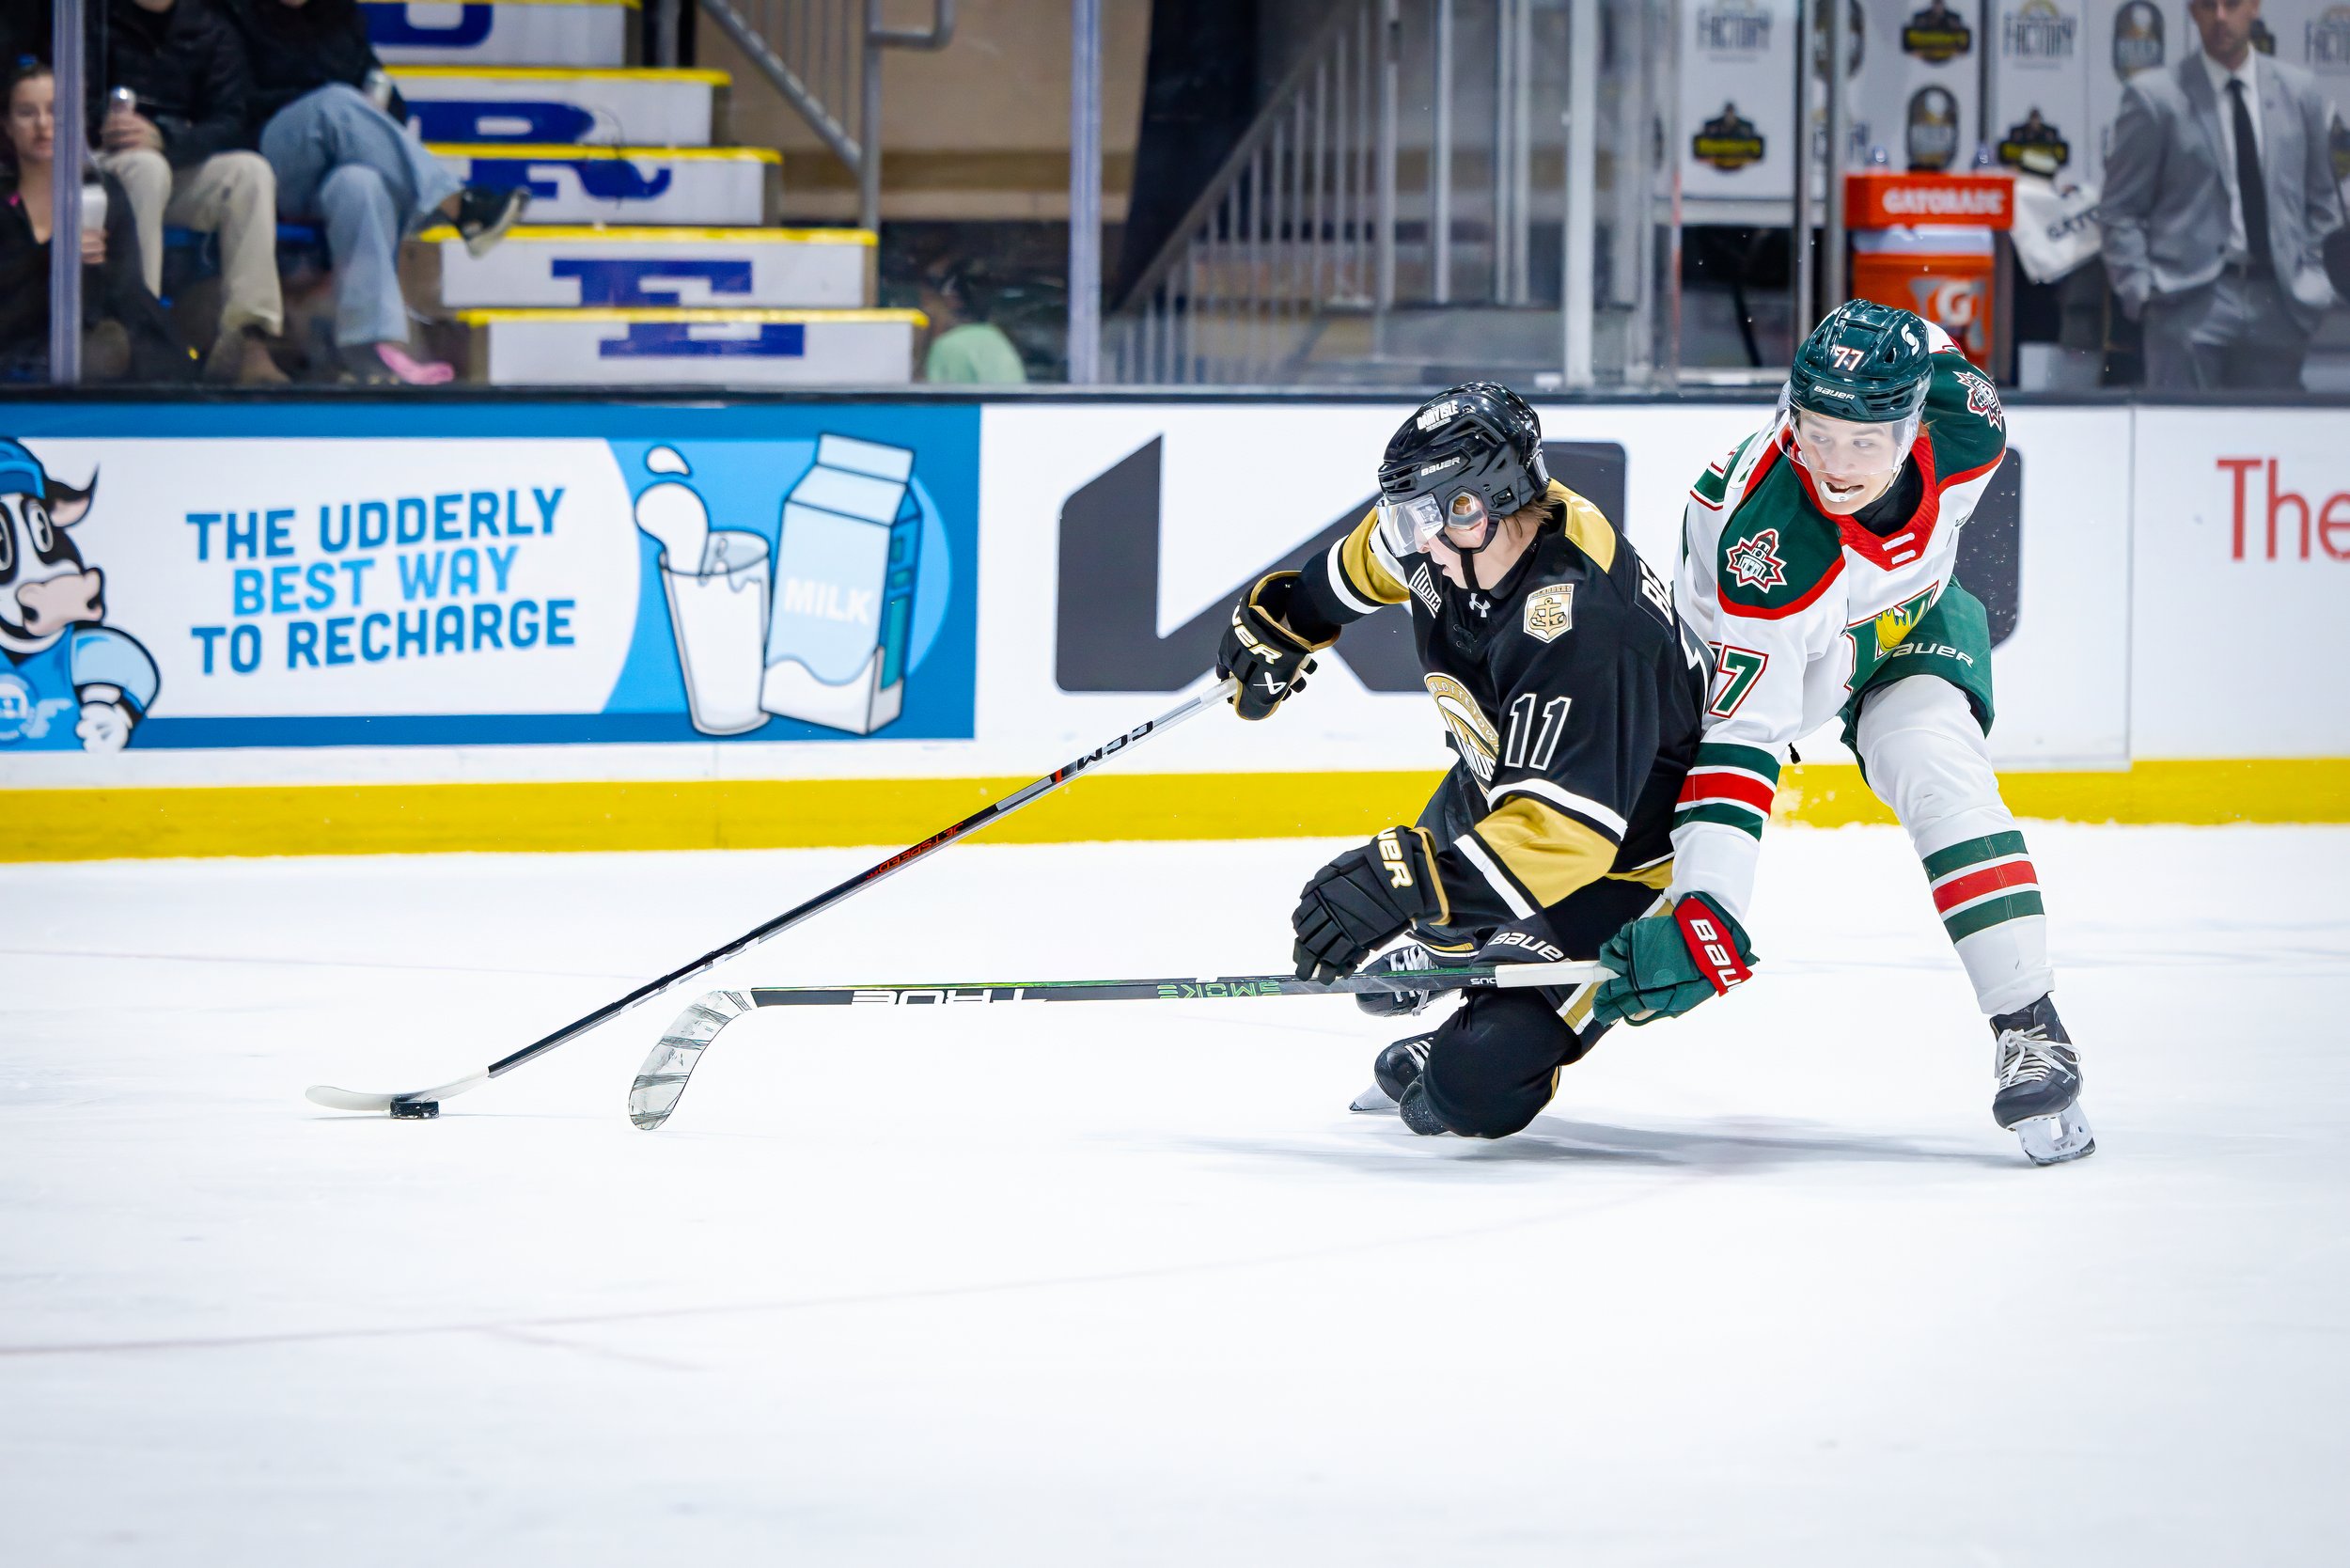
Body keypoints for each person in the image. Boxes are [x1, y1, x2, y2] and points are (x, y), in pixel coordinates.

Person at [1617, 299, 2092, 1166]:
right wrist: (1710, 904)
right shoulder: (1765, 549)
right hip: (1748, 656)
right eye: (1818, 434)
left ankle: (2031, 1027)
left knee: (1935, 764)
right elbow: (1745, 738)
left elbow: (1910, 342)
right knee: (1637, 852)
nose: (1836, 466)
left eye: (1865, 442)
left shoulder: (1969, 422)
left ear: (1914, 426)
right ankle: (1501, 1021)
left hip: (1908, 622)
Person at [1214, 384, 1709, 1139]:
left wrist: (1403, 885)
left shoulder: (1584, 624)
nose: (1417, 543)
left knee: (1474, 1085)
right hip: (1502, 789)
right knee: (1436, 926)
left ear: (1483, 506)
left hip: (1623, 861)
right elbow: (1369, 559)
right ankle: (1461, 942)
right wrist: (1294, 616)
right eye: (1406, 518)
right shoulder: (1455, 537)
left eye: (1429, 520)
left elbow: (1567, 836)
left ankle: (1477, 1022)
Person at [228, 0, 526, 384]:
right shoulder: (233, 14)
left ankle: (367, 351)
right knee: (333, 104)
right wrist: (331, 105)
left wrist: (372, 108)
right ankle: (456, 206)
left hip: (328, 166)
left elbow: (391, 102)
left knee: (360, 184)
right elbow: (230, 104)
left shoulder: (339, 17)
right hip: (262, 158)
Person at [2098, 0, 2343, 389]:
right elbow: (2119, 209)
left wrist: (2314, 283)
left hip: (2278, 304)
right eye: (2208, 6)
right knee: (2181, 427)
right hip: (2186, 304)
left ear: (2255, 7)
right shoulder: (2156, 97)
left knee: (2271, 428)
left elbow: (2324, 204)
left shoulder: (2300, 93)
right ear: (2192, 12)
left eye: (2232, 4)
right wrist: (2140, 291)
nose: (2221, 18)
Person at [91, 0, 287, 383]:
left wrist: (168, 137)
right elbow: (64, 101)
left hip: (175, 160)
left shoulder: (210, 27)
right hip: (101, 165)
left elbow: (232, 120)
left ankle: (247, 339)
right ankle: (139, 333)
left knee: (250, 172)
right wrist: (104, 124)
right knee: (146, 169)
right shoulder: (94, 18)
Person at [0, 59, 195, 381]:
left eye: (55, 111)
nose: (43, 125)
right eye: (26, 113)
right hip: (13, 358)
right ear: (7, 125)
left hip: (87, 349)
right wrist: (53, 258)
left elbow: (128, 290)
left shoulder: (103, 194)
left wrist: (95, 267)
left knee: (112, 347)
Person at [917, 259, 1026, 384]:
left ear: (952, 299)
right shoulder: (996, 338)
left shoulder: (949, 346)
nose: (927, 310)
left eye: (928, 302)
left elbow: (940, 394)